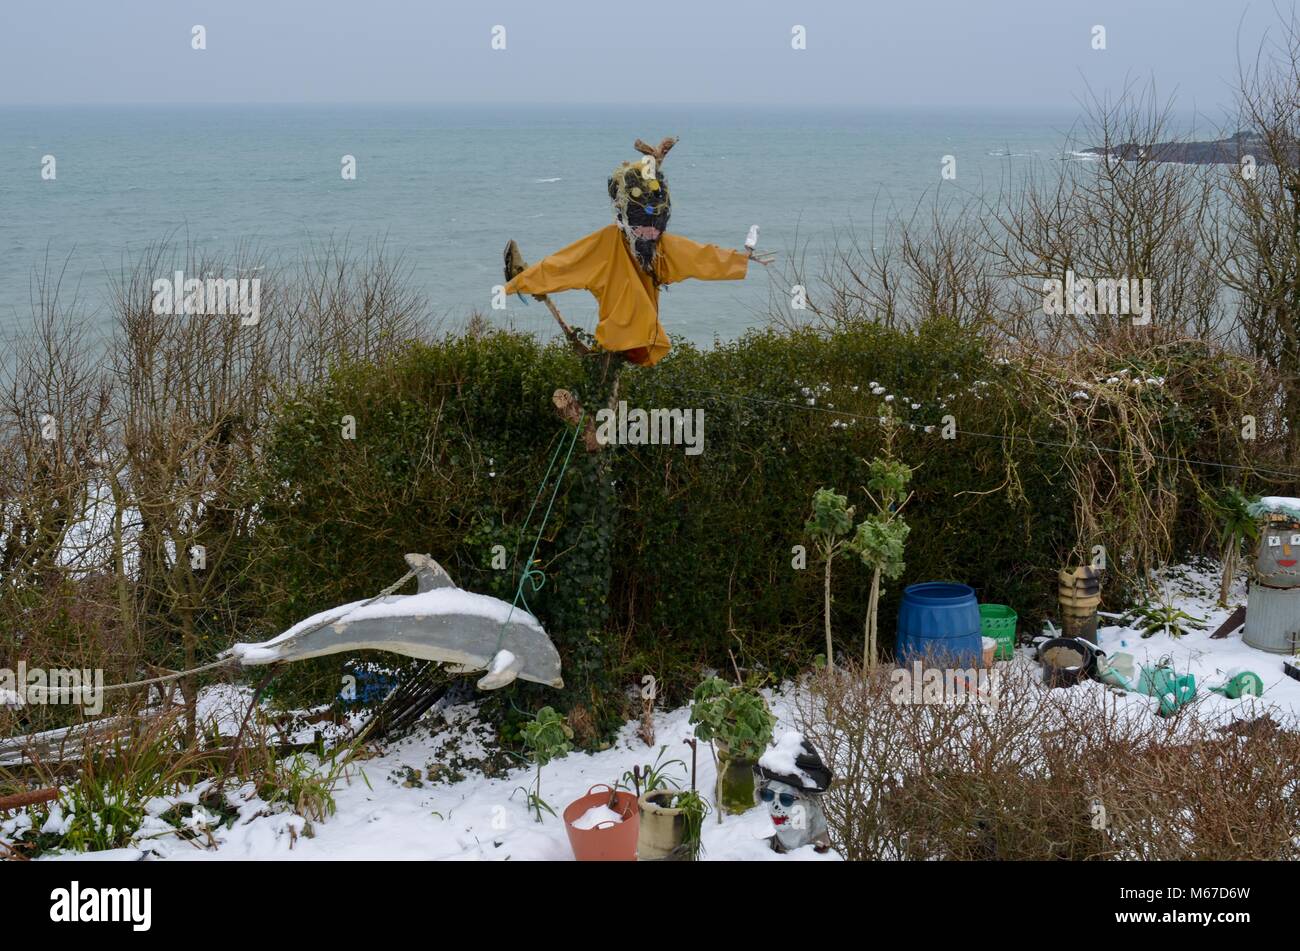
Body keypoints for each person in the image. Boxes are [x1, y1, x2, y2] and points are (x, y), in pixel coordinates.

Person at [504, 136, 774, 367]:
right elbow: (562, 265)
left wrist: (739, 260)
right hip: (616, 340)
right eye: (643, 225)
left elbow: (700, 256)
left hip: (641, 341)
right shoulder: (608, 243)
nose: (649, 232)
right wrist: (520, 283)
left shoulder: (660, 247)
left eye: (655, 226)